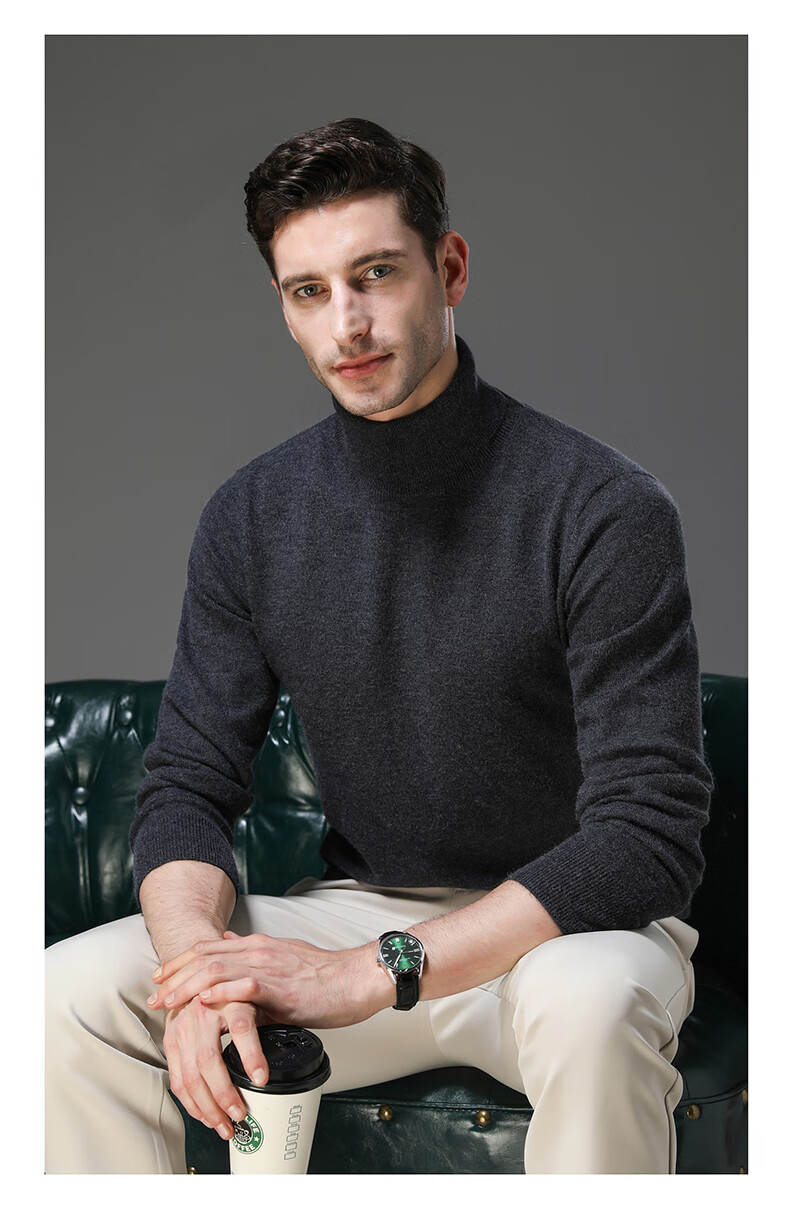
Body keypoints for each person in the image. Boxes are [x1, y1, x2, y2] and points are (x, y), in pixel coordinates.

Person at [45, 116, 713, 1175]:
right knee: (67, 993)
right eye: (309, 291)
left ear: (449, 269)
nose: (346, 324)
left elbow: (647, 834)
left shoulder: (602, 507)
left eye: (376, 275)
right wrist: (201, 970)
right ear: (283, 306)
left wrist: (377, 968)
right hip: (358, 914)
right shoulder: (252, 516)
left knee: (591, 1003)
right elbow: (186, 786)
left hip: (566, 932)